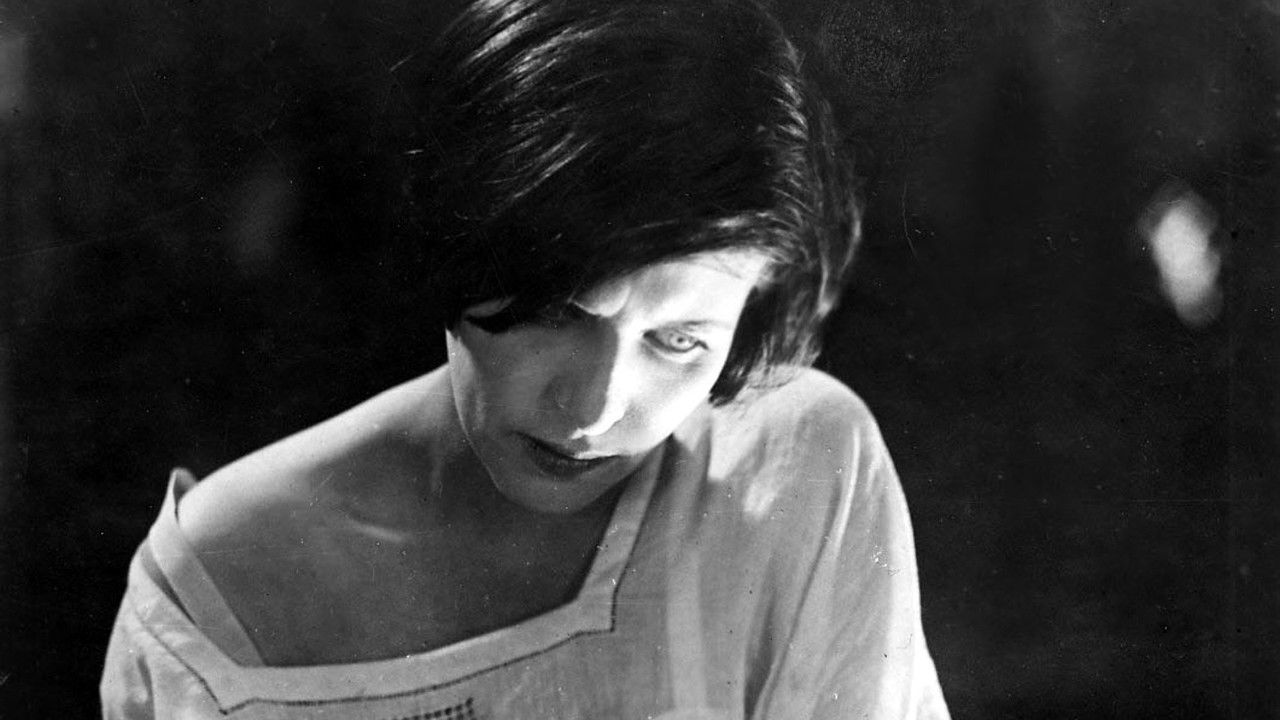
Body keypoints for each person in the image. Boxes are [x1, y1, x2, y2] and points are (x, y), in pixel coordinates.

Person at [100, 0, 950, 717]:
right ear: (464, 241)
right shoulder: (218, 591)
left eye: (679, 340)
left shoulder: (794, 473)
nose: (594, 409)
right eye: (559, 313)